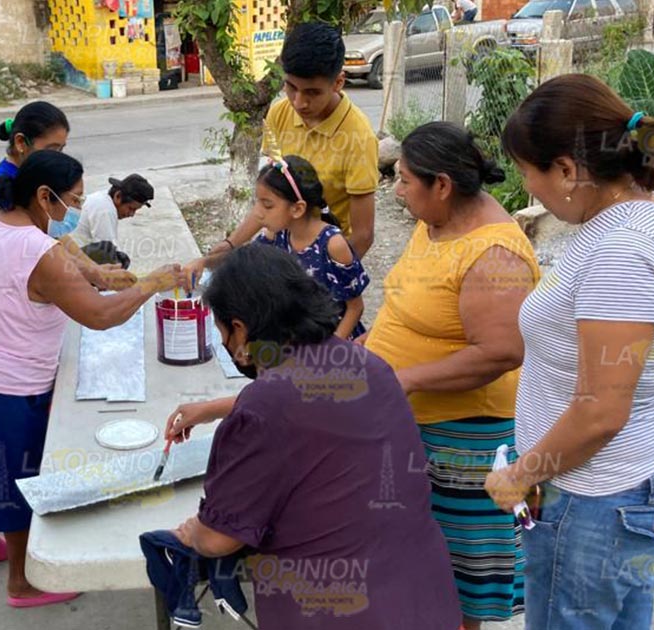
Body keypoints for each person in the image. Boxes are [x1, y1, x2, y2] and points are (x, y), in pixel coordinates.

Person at [485, 74, 654, 630]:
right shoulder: (647, 213)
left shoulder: (621, 251)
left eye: (529, 173)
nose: (530, 190)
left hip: (595, 498)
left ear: (567, 170)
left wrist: (521, 476)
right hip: (630, 482)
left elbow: (601, 411)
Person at [0, 150, 181, 608]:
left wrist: (98, 273)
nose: (76, 211)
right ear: (45, 197)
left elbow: (60, 257)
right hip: (2, 384)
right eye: (73, 200)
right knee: (13, 480)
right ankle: (24, 583)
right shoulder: (37, 252)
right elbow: (99, 316)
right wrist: (151, 284)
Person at [165, 244, 461, 630]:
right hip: (425, 600)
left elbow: (220, 539)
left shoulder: (263, 405)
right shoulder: (367, 363)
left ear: (239, 328)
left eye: (222, 330)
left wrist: (195, 533)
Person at [360, 122, 538, 630]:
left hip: (463, 436)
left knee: (455, 578)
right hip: (414, 424)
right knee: (417, 560)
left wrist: (407, 379)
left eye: (403, 181)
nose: (395, 191)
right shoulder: (434, 222)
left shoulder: (494, 254)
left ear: (442, 184)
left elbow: (501, 352)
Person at [184, 21, 380, 286]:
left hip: (323, 270)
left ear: (338, 83)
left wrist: (321, 284)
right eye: (291, 87)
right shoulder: (279, 114)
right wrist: (225, 248)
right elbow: (271, 197)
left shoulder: (359, 137)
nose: (299, 102)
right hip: (283, 259)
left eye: (312, 92)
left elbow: (363, 235)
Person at [253, 155, 369, 340]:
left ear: (297, 209)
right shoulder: (275, 236)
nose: (257, 213)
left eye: (267, 205)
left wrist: (329, 352)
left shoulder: (332, 245)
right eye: (257, 202)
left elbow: (355, 307)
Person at [0, 101, 69, 214]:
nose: (58, 158)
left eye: (61, 149)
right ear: (21, 142)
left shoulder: (31, 175)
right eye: (51, 149)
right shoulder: (4, 189)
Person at [70, 174, 155, 268]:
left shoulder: (103, 198)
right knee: (116, 259)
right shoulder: (105, 210)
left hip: (74, 251)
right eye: (131, 208)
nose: (131, 214)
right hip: (72, 259)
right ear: (118, 196)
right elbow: (107, 252)